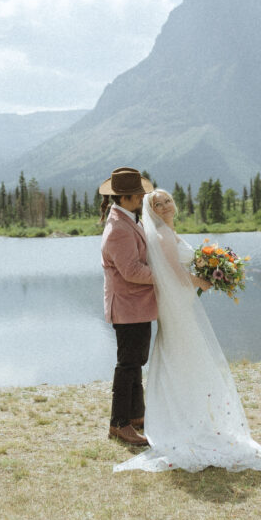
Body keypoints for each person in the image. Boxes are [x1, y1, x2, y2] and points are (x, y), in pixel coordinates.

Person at [114, 188, 261, 473]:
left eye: (168, 200)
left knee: (187, 354)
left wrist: (212, 269)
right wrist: (200, 281)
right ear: (152, 210)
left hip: (181, 301)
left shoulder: (170, 232)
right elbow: (174, 274)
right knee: (184, 353)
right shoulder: (162, 236)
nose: (165, 205)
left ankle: (191, 414)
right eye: (158, 203)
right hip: (177, 304)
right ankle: (184, 420)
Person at [99, 167, 157, 446]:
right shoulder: (119, 229)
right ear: (125, 198)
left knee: (135, 361)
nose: (142, 198)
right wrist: (165, 278)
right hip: (128, 306)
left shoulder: (126, 220)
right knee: (128, 364)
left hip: (135, 306)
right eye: (138, 195)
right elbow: (131, 271)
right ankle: (119, 423)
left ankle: (135, 416)